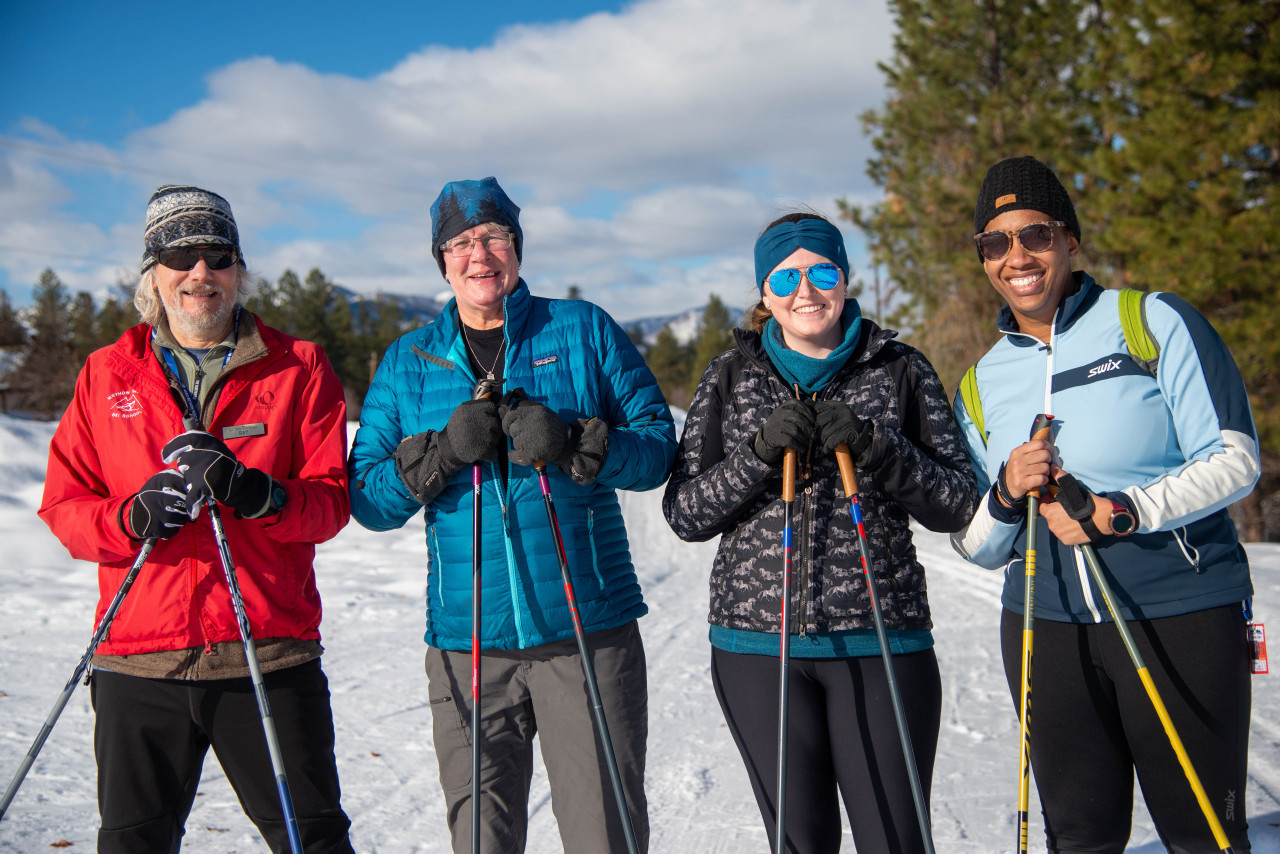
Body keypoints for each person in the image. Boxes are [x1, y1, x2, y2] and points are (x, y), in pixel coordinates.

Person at [347, 176, 675, 853]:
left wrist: (572, 442)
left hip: (585, 633)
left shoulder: (581, 330)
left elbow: (656, 450)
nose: (480, 255)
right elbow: (367, 498)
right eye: (461, 242)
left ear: (517, 248)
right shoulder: (409, 361)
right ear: (441, 259)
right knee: (481, 841)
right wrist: (440, 454)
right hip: (467, 643)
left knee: (602, 835)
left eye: (494, 237)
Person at [951, 156, 1259, 852]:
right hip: (1046, 628)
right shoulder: (980, 383)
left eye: (1034, 234)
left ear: (1070, 238)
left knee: (1203, 834)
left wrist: (1121, 510)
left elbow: (1235, 457)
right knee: (1081, 837)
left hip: (1178, 609)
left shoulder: (1148, 321)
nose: (1016, 256)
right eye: (994, 243)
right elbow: (975, 544)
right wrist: (1003, 495)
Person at [38, 185, 355, 854]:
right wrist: (131, 516)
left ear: (239, 270)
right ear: (152, 274)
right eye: (179, 258)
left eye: (217, 256)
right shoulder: (107, 374)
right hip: (138, 662)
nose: (200, 274)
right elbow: (65, 509)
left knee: (314, 842)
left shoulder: (297, 367)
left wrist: (256, 493)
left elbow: (329, 503)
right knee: (132, 845)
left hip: (265, 651)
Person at [663, 212, 979, 853]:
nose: (805, 290)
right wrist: (755, 456)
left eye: (821, 271)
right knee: (800, 843)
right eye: (785, 277)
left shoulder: (900, 369)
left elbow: (959, 503)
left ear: (844, 276)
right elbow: (686, 512)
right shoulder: (731, 375)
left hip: (881, 637)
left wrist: (875, 447)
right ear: (764, 292)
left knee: (895, 840)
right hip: (758, 647)